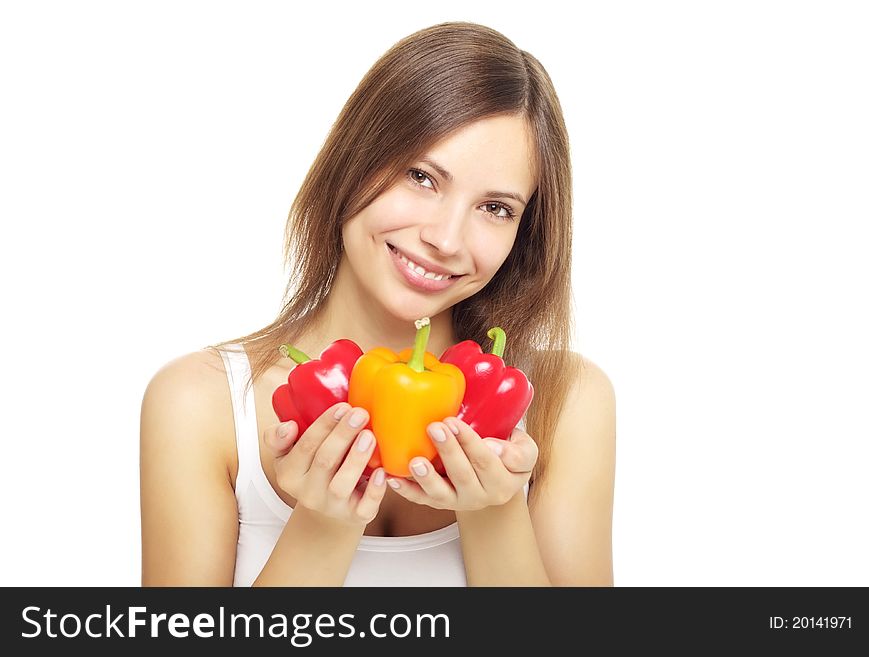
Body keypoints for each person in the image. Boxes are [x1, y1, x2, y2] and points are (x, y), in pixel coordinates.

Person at [140, 21, 616, 587]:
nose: (446, 238)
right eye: (422, 177)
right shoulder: (202, 406)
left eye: (495, 208)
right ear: (353, 160)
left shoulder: (565, 403)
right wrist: (322, 525)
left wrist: (493, 513)